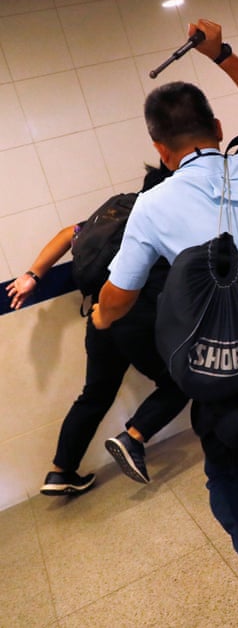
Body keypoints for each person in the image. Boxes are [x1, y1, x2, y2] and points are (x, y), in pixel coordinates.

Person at [91, 19, 238, 628]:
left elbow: (117, 299)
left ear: (159, 150)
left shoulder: (151, 206)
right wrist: (219, 51)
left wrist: (99, 316)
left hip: (231, 357)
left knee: (227, 470)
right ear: (220, 130)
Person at [6, 165, 189, 496]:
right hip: (132, 314)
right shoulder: (159, 216)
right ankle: (133, 437)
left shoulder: (115, 212)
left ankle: (61, 472)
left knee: (95, 395)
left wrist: (32, 276)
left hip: (99, 315)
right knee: (180, 380)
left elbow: (67, 233)